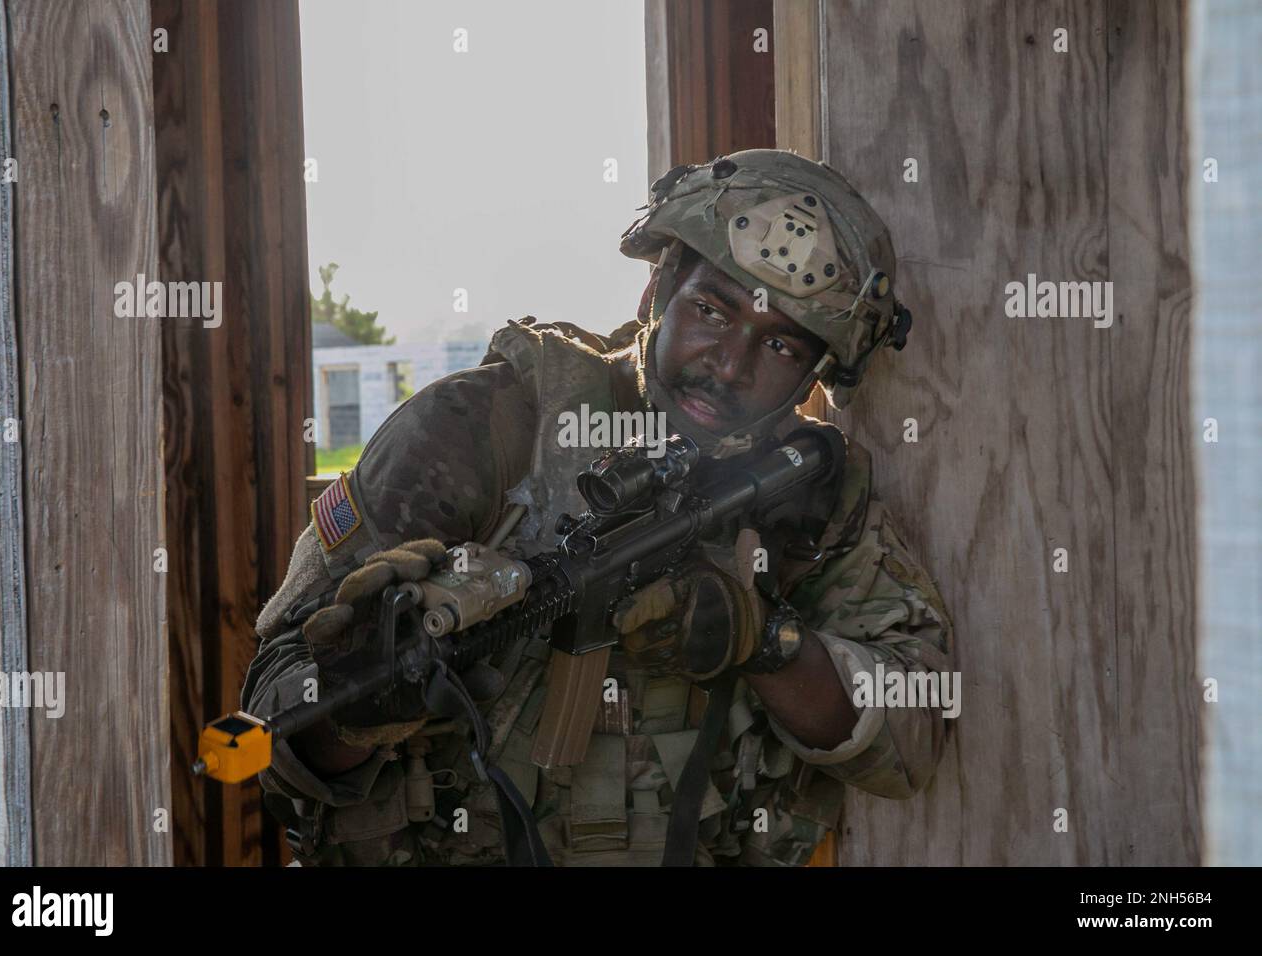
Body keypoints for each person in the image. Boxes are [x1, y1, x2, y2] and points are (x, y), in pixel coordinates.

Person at [242, 149, 955, 866]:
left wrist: (763, 642)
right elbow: (273, 730)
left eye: (778, 344)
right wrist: (363, 701)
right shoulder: (481, 429)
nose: (730, 366)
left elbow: (917, 734)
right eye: (712, 310)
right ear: (658, 290)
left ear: (814, 374)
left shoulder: (811, 494)